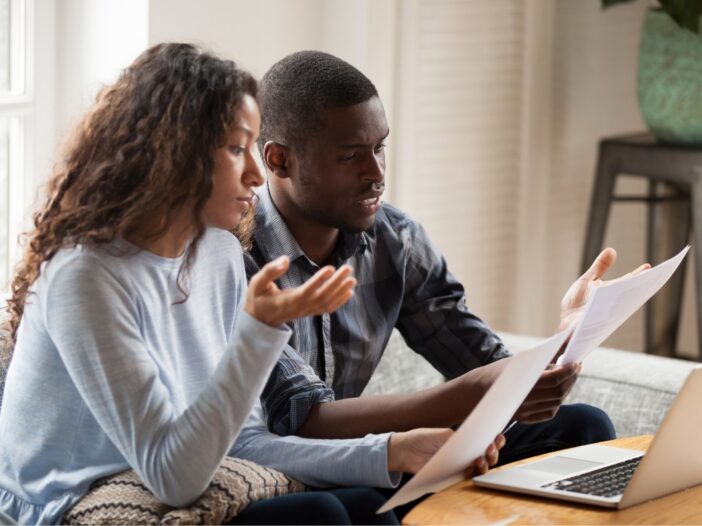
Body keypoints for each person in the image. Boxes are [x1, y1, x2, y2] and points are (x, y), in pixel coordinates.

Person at [0, 43, 418, 526]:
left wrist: (390, 451)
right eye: (237, 149)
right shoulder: (85, 278)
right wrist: (258, 330)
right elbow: (172, 476)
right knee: (317, 515)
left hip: (167, 472)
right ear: (176, 153)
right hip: (59, 504)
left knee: (371, 504)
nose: (257, 174)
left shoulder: (217, 253)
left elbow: (244, 443)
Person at [231, 50, 648, 515]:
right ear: (280, 160)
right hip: (287, 471)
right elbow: (302, 422)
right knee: (356, 505)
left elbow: (485, 364)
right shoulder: (237, 258)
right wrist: (474, 394)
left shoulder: (395, 239)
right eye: (351, 156)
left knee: (582, 428)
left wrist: (569, 335)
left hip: (380, 453)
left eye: (380, 147)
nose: (376, 173)